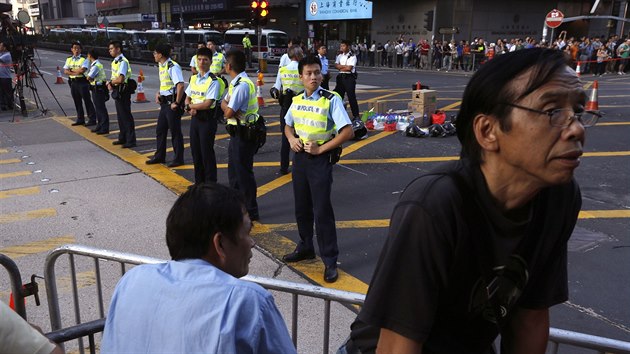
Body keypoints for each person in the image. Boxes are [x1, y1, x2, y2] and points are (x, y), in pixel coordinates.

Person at [343, 48, 601, 353]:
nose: (577, 129)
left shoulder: (558, 197)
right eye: (553, 112)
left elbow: (530, 317)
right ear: (488, 130)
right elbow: (395, 347)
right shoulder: (434, 206)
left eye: (579, 112)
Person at [101, 183, 296, 353]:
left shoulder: (132, 280)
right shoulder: (246, 301)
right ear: (220, 244)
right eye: (246, 232)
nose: (252, 243)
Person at [281, 54, 354, 283]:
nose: (313, 77)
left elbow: (347, 131)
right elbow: (287, 125)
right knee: (302, 207)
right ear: (301, 77)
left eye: (316, 73)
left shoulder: (330, 99)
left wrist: (321, 150)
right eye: (309, 74)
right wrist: (292, 139)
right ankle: (305, 246)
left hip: (319, 160)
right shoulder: (296, 100)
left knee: (322, 211)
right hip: (300, 159)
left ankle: (330, 260)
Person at [221, 50, 260, 221]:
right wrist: (228, 108)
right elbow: (224, 103)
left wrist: (228, 109)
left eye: (225, 63)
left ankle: (250, 210)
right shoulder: (236, 83)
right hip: (237, 134)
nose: (224, 66)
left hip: (244, 135)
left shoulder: (242, 85)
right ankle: (238, 207)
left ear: (229, 66)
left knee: (243, 174)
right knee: (234, 173)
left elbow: (227, 112)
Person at [185, 47, 224, 184]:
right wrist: (189, 107)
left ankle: (210, 184)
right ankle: (199, 183)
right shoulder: (194, 78)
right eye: (199, 59)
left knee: (206, 152)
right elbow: (187, 96)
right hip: (195, 118)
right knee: (195, 152)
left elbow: (208, 103)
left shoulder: (213, 81)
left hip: (207, 120)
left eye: (205, 60)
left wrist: (190, 107)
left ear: (210, 62)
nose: (202, 62)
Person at [147, 44, 185, 167]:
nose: (153, 55)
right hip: (164, 103)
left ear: (160, 54)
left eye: (155, 53)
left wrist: (177, 103)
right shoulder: (161, 65)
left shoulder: (172, 66)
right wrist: (159, 93)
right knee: (160, 130)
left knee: (175, 132)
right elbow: (165, 83)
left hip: (171, 103)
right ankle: (160, 156)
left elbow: (180, 85)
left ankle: (178, 158)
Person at [271, 45, 304, 175]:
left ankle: (283, 167)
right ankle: (300, 166)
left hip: (286, 106)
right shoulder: (303, 69)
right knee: (302, 136)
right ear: (297, 55)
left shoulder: (283, 70)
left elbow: (275, 89)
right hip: (301, 106)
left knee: (286, 138)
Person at [107, 40, 136, 148]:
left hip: (123, 90)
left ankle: (131, 140)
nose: (109, 51)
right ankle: (122, 138)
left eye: (111, 48)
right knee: (120, 116)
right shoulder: (115, 61)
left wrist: (111, 82)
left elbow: (120, 79)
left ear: (118, 49)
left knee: (126, 116)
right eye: (109, 49)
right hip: (117, 90)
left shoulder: (123, 61)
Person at [64, 42, 96, 126]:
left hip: (83, 82)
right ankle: (80, 119)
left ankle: (92, 119)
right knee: (77, 101)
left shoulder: (84, 59)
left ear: (81, 49)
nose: (76, 50)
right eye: (74, 48)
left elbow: (83, 70)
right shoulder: (69, 59)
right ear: (72, 49)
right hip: (73, 82)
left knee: (87, 101)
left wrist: (71, 72)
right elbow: (65, 71)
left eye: (78, 48)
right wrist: (74, 73)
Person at [334, 40, 360, 121]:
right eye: (341, 46)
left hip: (349, 78)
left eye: (343, 46)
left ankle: (356, 116)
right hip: (340, 77)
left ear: (348, 46)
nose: (341, 47)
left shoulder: (352, 56)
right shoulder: (339, 56)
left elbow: (349, 68)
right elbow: (336, 65)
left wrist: (340, 67)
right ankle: (338, 115)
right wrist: (343, 67)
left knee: (351, 97)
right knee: (338, 96)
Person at [85, 49, 109, 134]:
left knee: (101, 109)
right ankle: (100, 126)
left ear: (90, 56)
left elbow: (89, 77)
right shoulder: (95, 64)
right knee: (98, 109)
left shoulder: (96, 66)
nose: (87, 57)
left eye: (88, 55)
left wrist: (88, 76)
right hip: (96, 88)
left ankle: (104, 128)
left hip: (98, 89)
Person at [0, 40, 13, 111]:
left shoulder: (7, 55)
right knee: (1, 92)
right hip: (1, 76)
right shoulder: (2, 54)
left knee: (7, 92)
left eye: (1, 46)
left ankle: (10, 105)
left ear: (4, 48)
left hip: (5, 77)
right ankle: (3, 106)